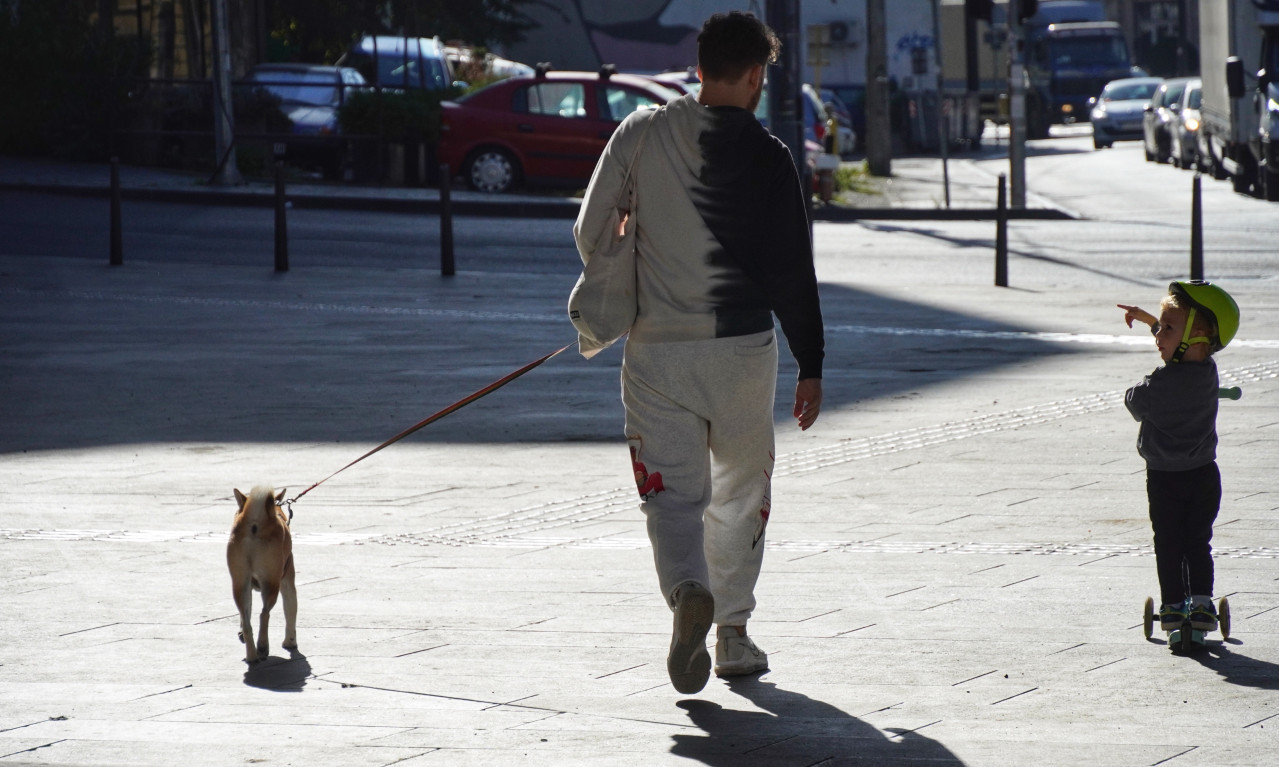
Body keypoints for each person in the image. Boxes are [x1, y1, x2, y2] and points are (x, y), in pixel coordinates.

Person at [573, 11, 824, 695]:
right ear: (752, 75)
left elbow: (588, 227)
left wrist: (627, 245)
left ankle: (688, 589)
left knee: (672, 498)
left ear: (697, 64)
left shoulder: (641, 133)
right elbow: (791, 271)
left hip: (657, 350)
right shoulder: (771, 158)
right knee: (740, 492)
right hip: (744, 351)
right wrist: (812, 364)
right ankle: (733, 636)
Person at [1119, 280, 1239, 634]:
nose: (1159, 336)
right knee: (1197, 540)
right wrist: (1151, 322)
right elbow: (1184, 347)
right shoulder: (1208, 372)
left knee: (1168, 543)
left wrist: (1141, 383)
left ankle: (1172, 607)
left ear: (1196, 334)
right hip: (1204, 475)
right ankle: (1202, 604)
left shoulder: (1160, 384)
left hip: (1165, 478)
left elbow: (1134, 401)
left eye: (1167, 328)